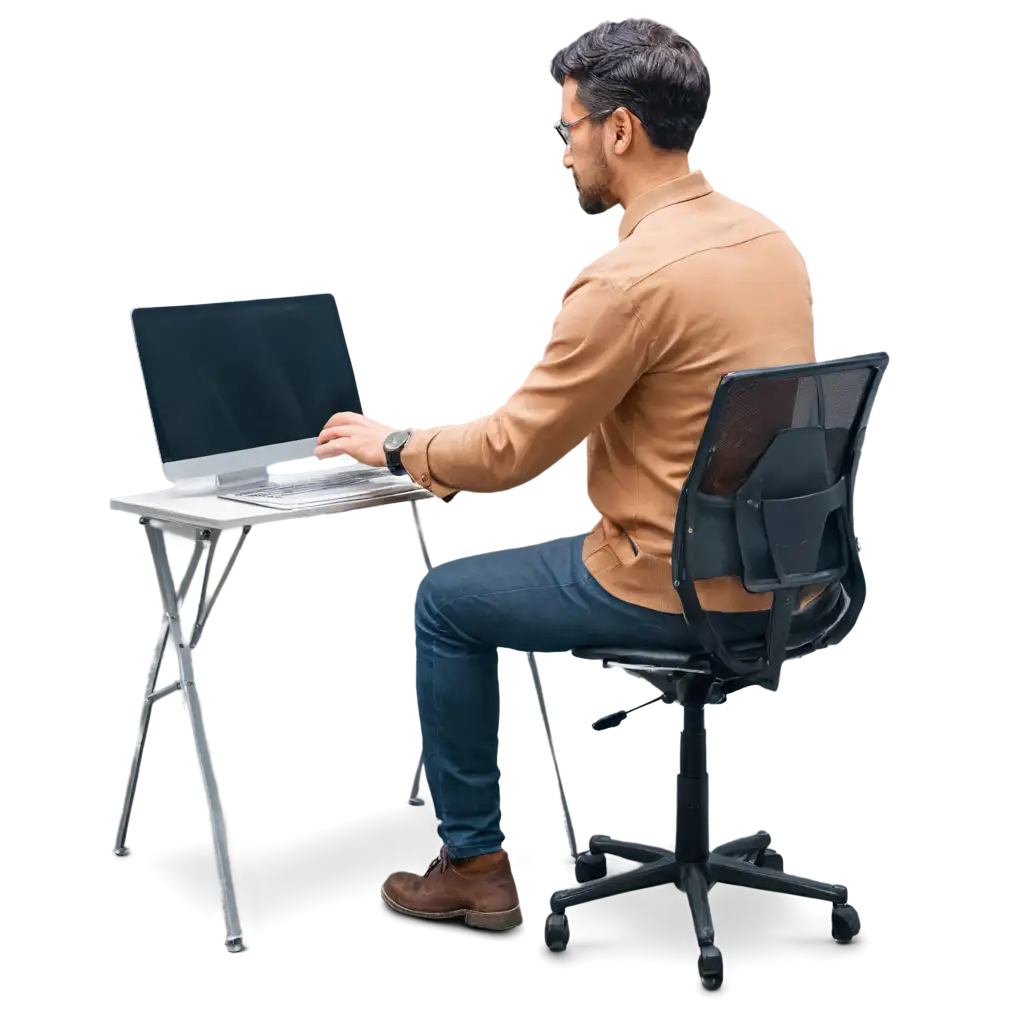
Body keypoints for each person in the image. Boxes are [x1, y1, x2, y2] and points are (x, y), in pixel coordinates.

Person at [313, 16, 816, 931]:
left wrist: (393, 446)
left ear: (617, 129)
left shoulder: (626, 281)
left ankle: (476, 869)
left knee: (446, 605)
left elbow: (510, 448)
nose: (560, 154)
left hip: (675, 586)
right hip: (782, 575)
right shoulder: (767, 238)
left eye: (564, 131)